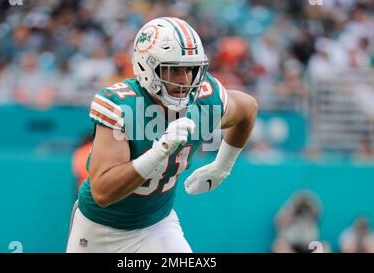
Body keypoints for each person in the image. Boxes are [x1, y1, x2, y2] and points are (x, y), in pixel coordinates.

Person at [66, 17, 258, 253]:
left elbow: (248, 108)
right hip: (100, 229)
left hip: (157, 225)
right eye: (174, 69)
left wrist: (222, 166)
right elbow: (103, 193)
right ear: (147, 67)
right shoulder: (123, 105)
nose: (185, 79)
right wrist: (159, 152)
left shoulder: (204, 102)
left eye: (190, 68)